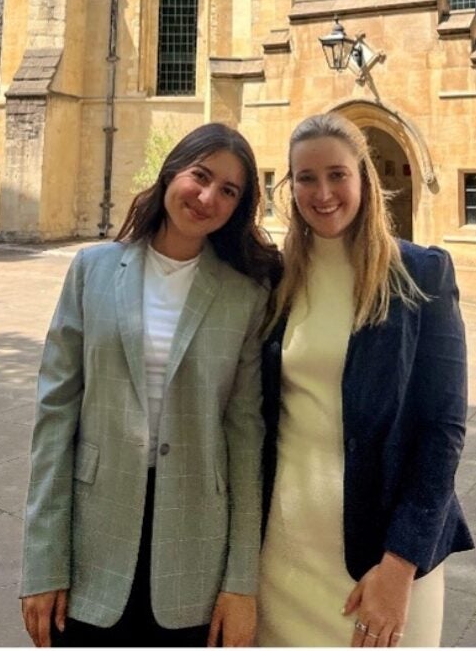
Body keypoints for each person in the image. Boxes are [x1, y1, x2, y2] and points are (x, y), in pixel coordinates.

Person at [20, 123, 281, 649]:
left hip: (196, 545)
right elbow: (55, 416)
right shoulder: (91, 270)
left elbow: (245, 436)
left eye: (229, 191)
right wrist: (42, 561)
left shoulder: (245, 294)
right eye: (200, 176)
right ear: (171, 174)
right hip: (93, 535)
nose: (208, 197)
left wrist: (241, 583)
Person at [258, 113, 473, 648]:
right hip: (284, 552)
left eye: (337, 174)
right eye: (305, 178)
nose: (322, 192)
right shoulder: (276, 279)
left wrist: (400, 564)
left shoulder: (421, 273)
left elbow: (442, 429)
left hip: (384, 556)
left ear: (364, 179)